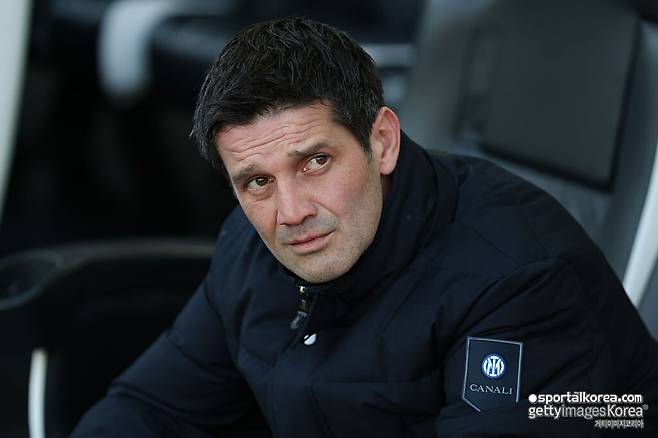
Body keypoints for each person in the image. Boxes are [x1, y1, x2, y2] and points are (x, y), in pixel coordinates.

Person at [73, 17, 658, 437]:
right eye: (257, 181)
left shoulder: (518, 281)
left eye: (315, 162)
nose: (290, 211)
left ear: (382, 142)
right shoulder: (251, 245)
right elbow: (152, 407)